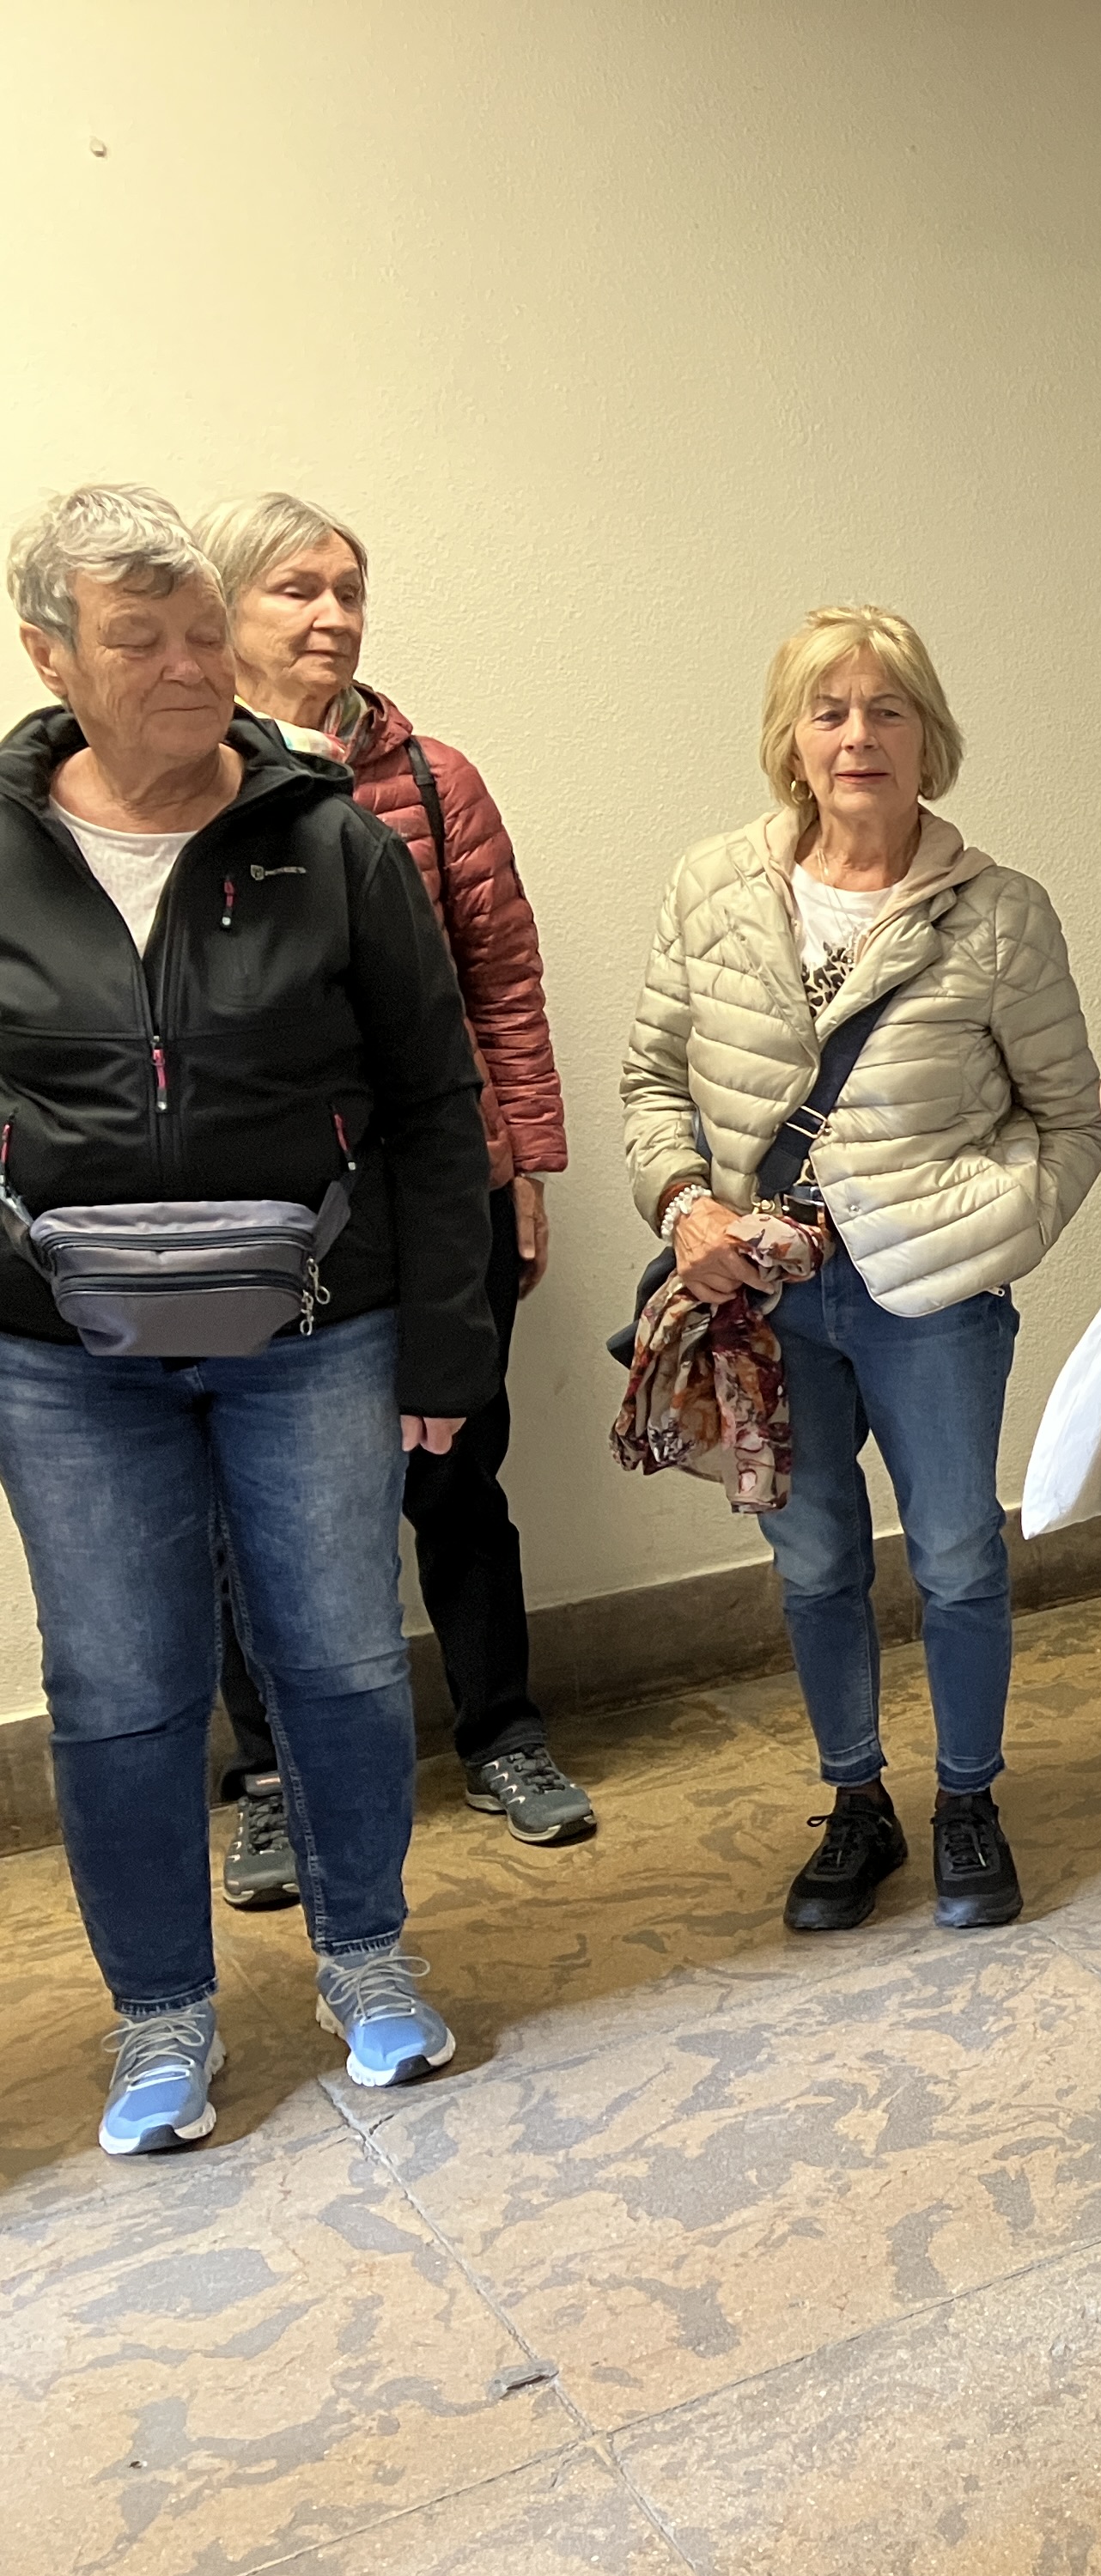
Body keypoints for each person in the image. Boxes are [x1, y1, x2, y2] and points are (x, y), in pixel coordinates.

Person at [0, 485, 496, 2151]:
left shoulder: (334, 842)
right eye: (139, 638)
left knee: (341, 1658)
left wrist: (448, 1340)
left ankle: (367, 1958)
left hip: (314, 1329)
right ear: (51, 655)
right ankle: (161, 2015)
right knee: (119, 1688)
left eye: (203, 631)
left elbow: (437, 1100)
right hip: (62, 1357)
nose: (189, 666)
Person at [620, 606, 1101, 1933]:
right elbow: (653, 1082)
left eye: (887, 709)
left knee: (957, 1553)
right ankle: (856, 1801)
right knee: (816, 1559)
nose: (858, 736)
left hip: (927, 1302)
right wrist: (685, 1209)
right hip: (764, 1302)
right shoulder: (713, 888)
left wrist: (986, 1235)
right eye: (828, 711)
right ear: (791, 738)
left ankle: (966, 1801)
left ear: (927, 736)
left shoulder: (1000, 914)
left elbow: (1072, 1119)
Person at [192, 491, 587, 1897]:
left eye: (350, 589)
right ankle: (269, 1780)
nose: (333, 615)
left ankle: (504, 1735)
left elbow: (503, 984)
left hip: (438, 1193)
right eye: (296, 589)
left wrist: (522, 1165)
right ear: (221, 611)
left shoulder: (432, 778)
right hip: (264, 1211)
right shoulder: (179, 785)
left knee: (457, 1474)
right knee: (249, 1510)